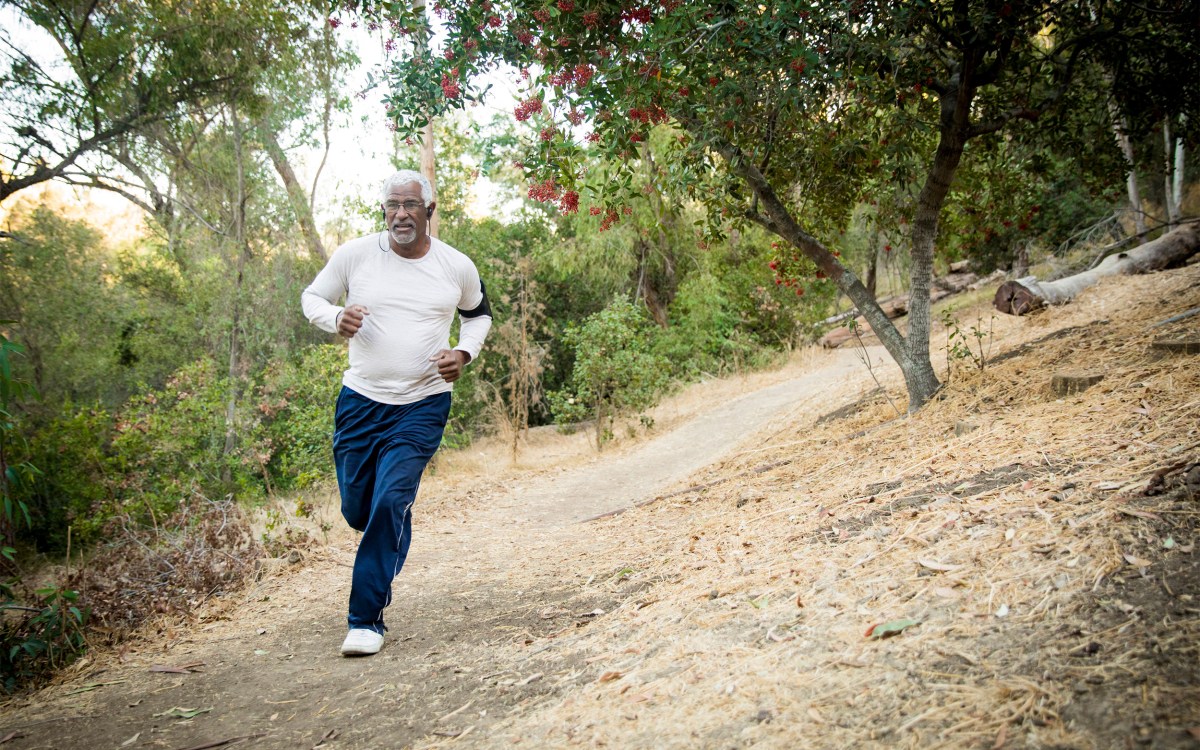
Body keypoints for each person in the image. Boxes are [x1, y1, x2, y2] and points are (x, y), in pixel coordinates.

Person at [301, 170, 492, 656]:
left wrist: (464, 354)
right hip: (361, 401)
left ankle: (365, 620)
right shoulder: (355, 255)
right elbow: (312, 298)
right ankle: (390, 529)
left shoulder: (456, 266)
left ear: (429, 211)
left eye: (410, 205)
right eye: (392, 205)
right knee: (357, 510)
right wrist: (334, 319)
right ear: (383, 210)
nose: (400, 214)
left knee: (390, 503)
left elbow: (479, 314)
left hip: (423, 403)